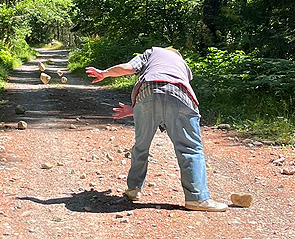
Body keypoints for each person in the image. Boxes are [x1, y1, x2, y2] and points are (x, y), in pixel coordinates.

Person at [85, 47, 227, 212]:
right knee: (190, 148)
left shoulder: (152, 52)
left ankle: (133, 189)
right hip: (180, 95)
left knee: (141, 146)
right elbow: (169, 97)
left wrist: (105, 73)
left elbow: (129, 69)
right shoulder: (183, 65)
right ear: (177, 54)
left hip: (147, 95)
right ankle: (197, 198)